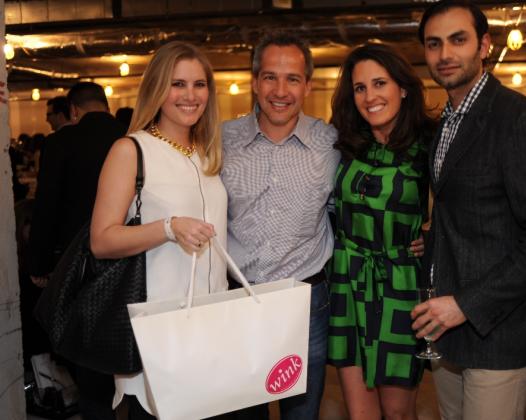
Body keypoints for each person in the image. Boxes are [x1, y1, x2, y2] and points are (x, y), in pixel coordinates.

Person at [411, 2, 526, 419]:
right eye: (434, 44)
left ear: (484, 45)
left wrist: (466, 304)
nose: (445, 54)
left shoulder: (520, 119)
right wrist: (433, 238)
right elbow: (471, 207)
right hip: (445, 329)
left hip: (497, 331)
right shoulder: (446, 121)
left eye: (458, 40)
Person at [90, 41, 227, 419]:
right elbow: (101, 240)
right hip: (160, 330)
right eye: (177, 84)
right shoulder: (131, 150)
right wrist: (168, 228)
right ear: (156, 88)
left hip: (213, 326)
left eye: (199, 85)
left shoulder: (207, 153)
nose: (190, 95)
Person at [221, 31, 337, 420]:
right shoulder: (220, 141)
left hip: (306, 302)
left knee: (302, 414)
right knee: (242, 415)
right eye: (270, 77)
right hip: (238, 300)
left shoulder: (331, 143)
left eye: (292, 79)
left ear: (308, 85)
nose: (280, 91)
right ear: (255, 81)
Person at [327, 43, 434, 420]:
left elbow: (464, 204)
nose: (369, 96)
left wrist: (432, 237)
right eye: (360, 87)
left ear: (402, 87)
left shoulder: (429, 144)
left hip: (400, 285)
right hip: (349, 280)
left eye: (379, 83)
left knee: (398, 413)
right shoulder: (343, 143)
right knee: (361, 415)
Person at [27, 82, 125, 419]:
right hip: (133, 257)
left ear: (73, 110)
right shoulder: (133, 136)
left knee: (90, 359)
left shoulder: (61, 142)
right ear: (106, 104)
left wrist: (39, 263)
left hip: (80, 263)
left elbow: (47, 207)